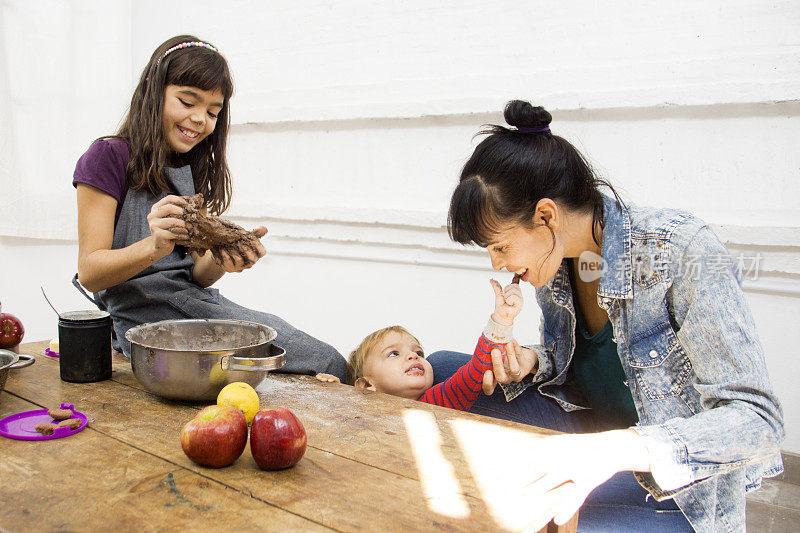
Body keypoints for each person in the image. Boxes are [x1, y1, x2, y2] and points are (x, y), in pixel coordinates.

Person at [428, 100, 784, 532]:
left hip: (673, 487)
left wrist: (614, 451)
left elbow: (757, 420)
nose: (496, 264)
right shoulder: (559, 263)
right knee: (444, 367)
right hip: (592, 436)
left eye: (500, 246)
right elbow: (592, 365)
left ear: (546, 215)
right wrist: (536, 361)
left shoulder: (681, 251)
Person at [72, 35, 346, 380]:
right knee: (314, 365)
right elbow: (91, 273)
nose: (200, 119)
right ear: (153, 92)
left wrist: (220, 259)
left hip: (192, 308)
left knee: (329, 362)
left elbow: (194, 276)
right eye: (188, 102)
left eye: (213, 111)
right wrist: (154, 246)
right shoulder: (107, 157)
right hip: (147, 327)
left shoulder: (188, 164)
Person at [317, 279, 522, 411]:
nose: (413, 356)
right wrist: (335, 393)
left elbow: (477, 371)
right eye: (393, 354)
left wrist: (501, 322)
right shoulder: (359, 409)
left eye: (418, 352)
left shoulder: (436, 401)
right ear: (366, 385)